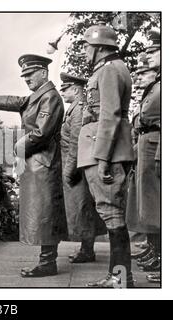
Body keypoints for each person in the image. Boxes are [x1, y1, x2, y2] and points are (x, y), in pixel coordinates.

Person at [0, 53, 68, 277]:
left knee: (46, 213)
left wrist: (17, 147)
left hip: (44, 162)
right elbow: (17, 101)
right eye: (24, 75)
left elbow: (41, 133)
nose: (26, 79)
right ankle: (46, 261)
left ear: (43, 73)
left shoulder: (50, 97)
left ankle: (47, 263)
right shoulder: (39, 96)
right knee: (42, 212)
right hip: (38, 162)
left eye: (30, 74)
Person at [77, 22, 135, 287]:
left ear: (99, 47)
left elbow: (109, 115)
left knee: (112, 214)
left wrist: (102, 159)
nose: (85, 52)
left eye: (87, 46)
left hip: (106, 153)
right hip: (106, 150)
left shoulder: (110, 71)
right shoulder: (111, 68)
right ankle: (119, 276)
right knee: (111, 212)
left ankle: (121, 279)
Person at [59, 72, 107, 263]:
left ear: (76, 90)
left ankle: (87, 250)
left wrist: (69, 170)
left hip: (77, 166)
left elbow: (75, 144)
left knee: (83, 208)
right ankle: (85, 248)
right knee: (82, 208)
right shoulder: (73, 108)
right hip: (77, 164)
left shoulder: (78, 109)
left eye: (65, 89)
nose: (62, 92)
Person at [136, 30, 161, 283]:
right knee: (151, 205)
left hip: (157, 146)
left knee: (158, 205)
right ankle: (157, 253)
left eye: (154, 51)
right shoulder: (156, 86)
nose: (149, 56)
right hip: (149, 145)